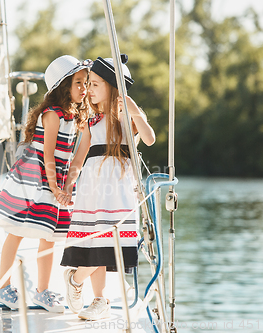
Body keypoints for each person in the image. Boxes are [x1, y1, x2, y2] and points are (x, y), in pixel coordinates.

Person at [0, 55, 90, 312]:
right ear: (63, 86)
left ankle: (42, 291)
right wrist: (55, 187)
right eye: (78, 82)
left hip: (57, 179)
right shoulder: (52, 115)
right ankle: (3, 287)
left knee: (49, 236)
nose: (84, 88)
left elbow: (73, 155)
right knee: (16, 231)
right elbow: (47, 155)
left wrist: (66, 185)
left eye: (86, 82)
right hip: (35, 179)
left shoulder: (74, 115)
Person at [59, 54, 156, 320]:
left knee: (110, 241)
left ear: (113, 88)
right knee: (96, 242)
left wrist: (134, 109)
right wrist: (68, 186)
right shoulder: (90, 121)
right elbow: (79, 157)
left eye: (95, 84)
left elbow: (149, 139)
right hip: (93, 188)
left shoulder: (129, 117)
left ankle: (76, 279)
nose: (88, 90)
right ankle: (100, 299)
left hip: (120, 189)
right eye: (88, 84)